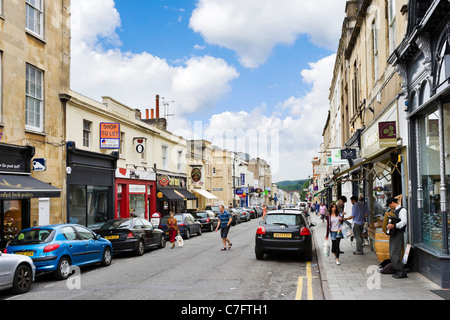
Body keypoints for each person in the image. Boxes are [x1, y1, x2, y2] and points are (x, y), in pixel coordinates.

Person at [386, 197, 408, 279]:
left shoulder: (402, 210)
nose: (389, 207)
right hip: (393, 233)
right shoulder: (394, 211)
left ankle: (402, 271)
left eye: (389, 205)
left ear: (392, 203)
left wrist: (394, 225)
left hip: (398, 233)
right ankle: (398, 271)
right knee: (392, 254)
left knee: (395, 254)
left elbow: (404, 221)